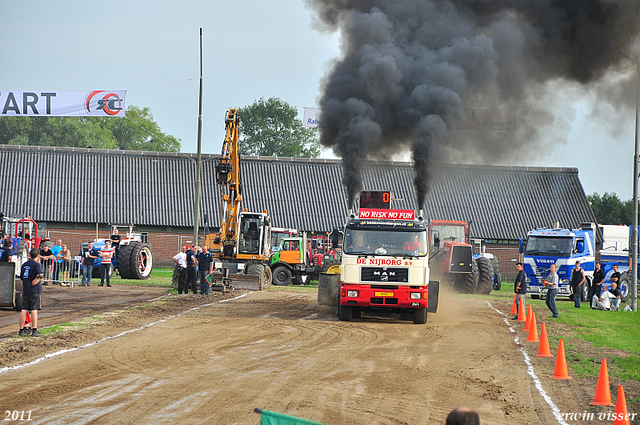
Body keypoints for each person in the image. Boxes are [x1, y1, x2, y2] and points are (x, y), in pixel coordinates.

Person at [19, 248, 44, 337]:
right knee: (34, 309)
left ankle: (21, 330)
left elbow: (21, 279)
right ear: (38, 256)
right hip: (34, 290)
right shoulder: (36, 264)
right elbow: (40, 273)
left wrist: (23, 290)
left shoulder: (24, 264)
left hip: (26, 289)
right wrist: (37, 278)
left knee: (24, 309)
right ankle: (34, 330)